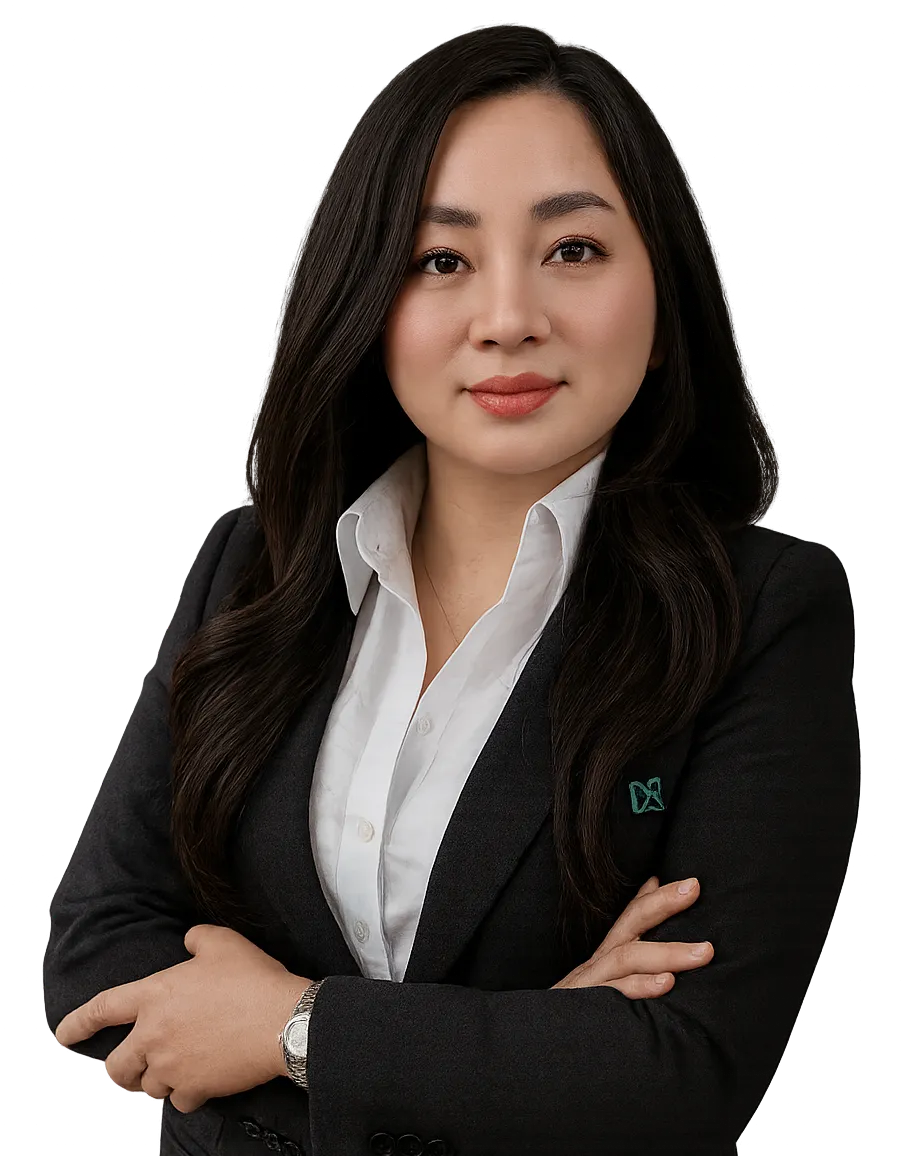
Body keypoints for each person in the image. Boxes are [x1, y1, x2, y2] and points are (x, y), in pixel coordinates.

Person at [42, 21, 860, 1156]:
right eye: (441, 259)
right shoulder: (258, 567)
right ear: (369, 303)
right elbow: (92, 954)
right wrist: (524, 1045)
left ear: (664, 296)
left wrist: (289, 1028)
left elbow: (681, 1080)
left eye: (572, 249)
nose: (509, 315)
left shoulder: (760, 613)